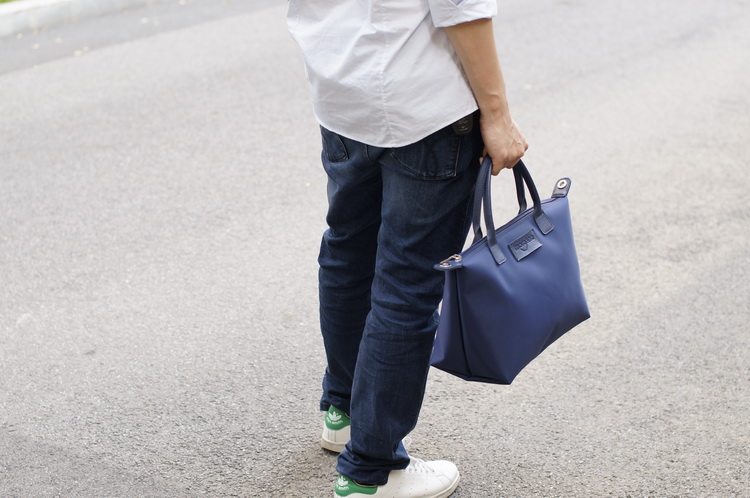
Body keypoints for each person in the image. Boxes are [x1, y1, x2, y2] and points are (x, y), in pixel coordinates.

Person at [287, 1, 528, 496]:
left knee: (348, 255)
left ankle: (345, 414)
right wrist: (497, 114)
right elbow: (460, 7)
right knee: (407, 286)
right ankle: (373, 471)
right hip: (422, 102)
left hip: (341, 88)